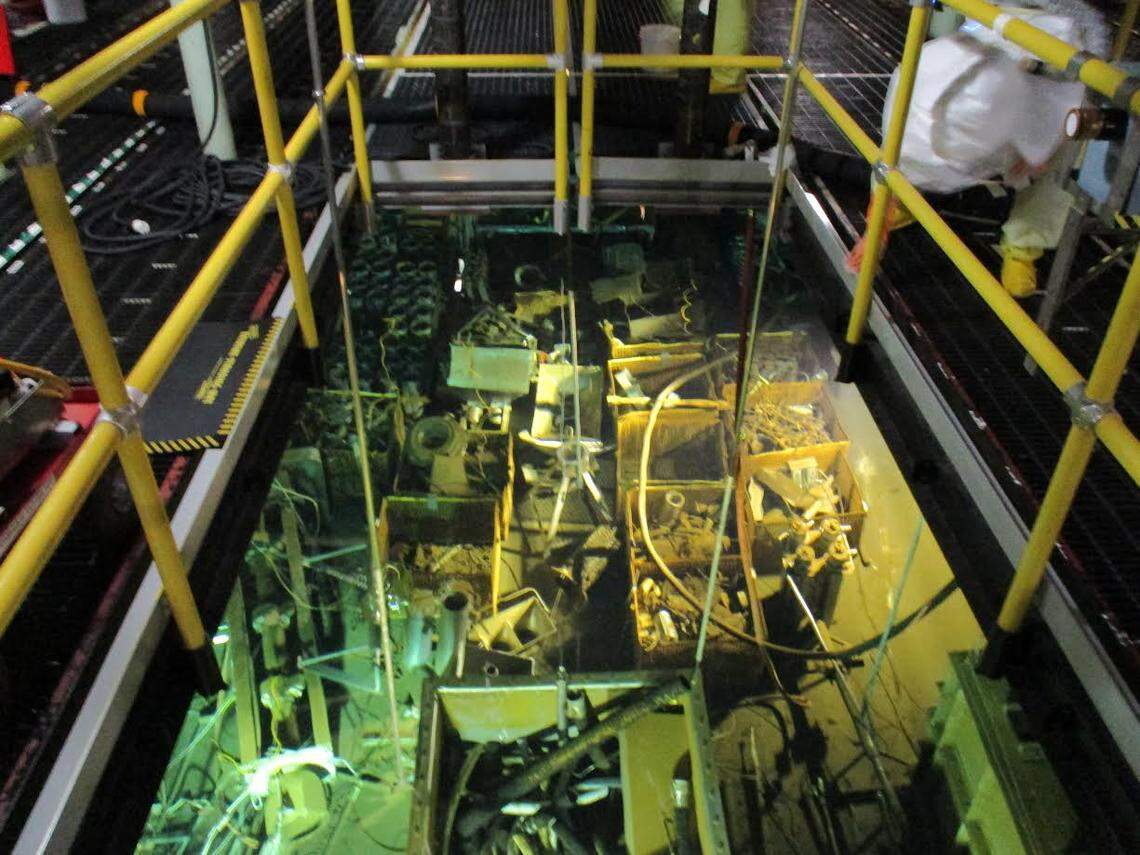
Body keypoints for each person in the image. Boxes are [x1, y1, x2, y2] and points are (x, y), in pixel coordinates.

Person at [848, 2, 1109, 297]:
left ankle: (1024, 244)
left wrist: (1046, 143)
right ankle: (886, 209)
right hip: (989, 27)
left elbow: (1082, 68)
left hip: (1056, 58)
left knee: (1062, 154)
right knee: (908, 119)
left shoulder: (1073, 33)